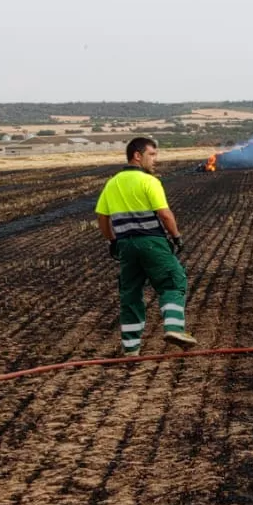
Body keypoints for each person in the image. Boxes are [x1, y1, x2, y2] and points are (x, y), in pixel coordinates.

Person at [95, 137, 196, 352]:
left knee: (130, 293)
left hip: (125, 246)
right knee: (173, 281)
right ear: (137, 156)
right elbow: (165, 214)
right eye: (152, 154)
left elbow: (102, 218)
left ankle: (131, 348)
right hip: (152, 242)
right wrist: (176, 237)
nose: (155, 160)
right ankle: (174, 328)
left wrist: (112, 241)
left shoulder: (112, 183)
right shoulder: (149, 181)